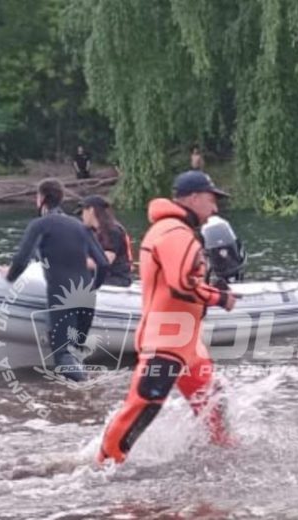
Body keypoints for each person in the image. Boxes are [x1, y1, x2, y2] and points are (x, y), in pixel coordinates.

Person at [96, 170, 236, 464]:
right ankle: (104, 466)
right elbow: (181, 283)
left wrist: (211, 289)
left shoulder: (174, 230)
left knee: (214, 401)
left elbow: (183, 282)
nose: (215, 208)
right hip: (167, 341)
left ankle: (224, 454)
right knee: (144, 405)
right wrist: (219, 298)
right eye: (212, 200)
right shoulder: (174, 232)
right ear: (194, 197)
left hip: (187, 343)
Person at [0, 178, 109, 381]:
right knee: (76, 352)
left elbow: (22, 258)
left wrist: (9, 277)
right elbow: (103, 263)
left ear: (41, 198)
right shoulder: (80, 226)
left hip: (62, 294)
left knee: (63, 356)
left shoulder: (40, 225)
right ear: (61, 198)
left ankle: (86, 394)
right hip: (87, 297)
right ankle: (83, 400)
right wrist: (94, 287)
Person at [79, 195, 133, 287]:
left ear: (91, 210)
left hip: (116, 279)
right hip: (99, 277)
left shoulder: (112, 231)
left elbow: (105, 261)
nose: (81, 216)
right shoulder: (92, 232)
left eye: (83, 212)